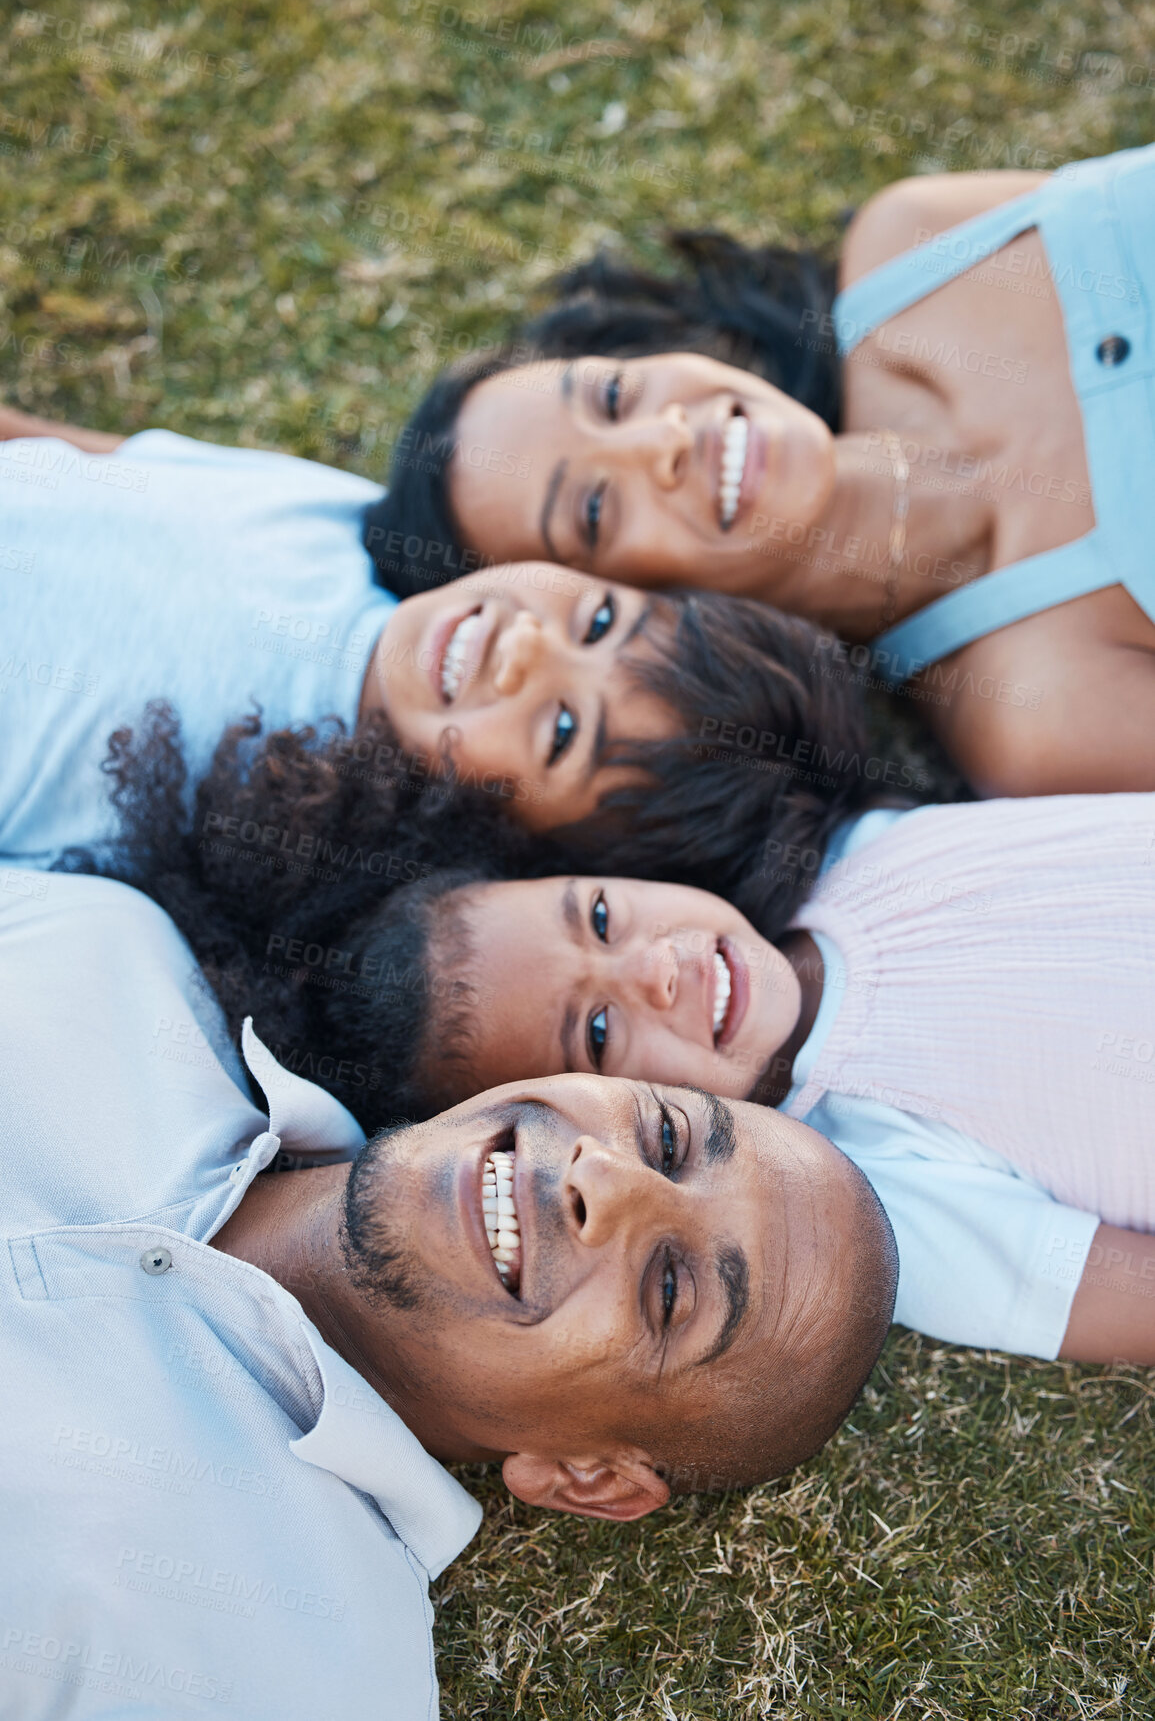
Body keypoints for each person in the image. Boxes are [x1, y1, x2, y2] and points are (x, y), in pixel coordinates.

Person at [0, 865, 896, 1719]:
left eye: (669, 1286)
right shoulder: (98, 951)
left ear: (586, 1477)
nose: (606, 1180)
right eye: (664, 1137)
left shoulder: (286, 1674)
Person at [97, 718, 1155, 1368]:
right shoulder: (863, 1194)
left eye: (601, 917)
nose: (657, 969)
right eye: (600, 1033)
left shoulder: (855, 847)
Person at [366, 143, 1155, 798]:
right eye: (596, 511)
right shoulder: (1036, 719)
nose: (663, 440)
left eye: (612, 395)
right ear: (636, 617)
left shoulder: (913, 251)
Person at [0, 396, 878, 898]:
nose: (525, 647)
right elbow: (91, 461)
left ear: (503, 847)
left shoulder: (211, 825)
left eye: (563, 732)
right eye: (601, 621)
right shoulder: (343, 522)